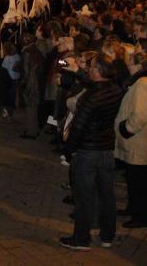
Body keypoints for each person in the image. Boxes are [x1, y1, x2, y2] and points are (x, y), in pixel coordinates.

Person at [60, 54, 123, 251]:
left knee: (84, 197)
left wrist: (69, 150)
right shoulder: (114, 90)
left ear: (98, 71)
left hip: (87, 151)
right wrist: (77, 71)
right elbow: (94, 83)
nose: (89, 70)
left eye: (92, 68)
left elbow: (79, 126)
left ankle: (81, 239)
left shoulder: (91, 98)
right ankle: (107, 235)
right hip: (106, 150)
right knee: (107, 195)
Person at [115, 52, 147, 229]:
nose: (128, 66)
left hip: (137, 141)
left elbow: (140, 115)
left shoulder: (143, 84)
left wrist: (125, 128)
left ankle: (141, 216)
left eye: (130, 63)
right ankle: (133, 209)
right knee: (134, 180)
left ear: (137, 66)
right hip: (139, 141)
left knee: (138, 182)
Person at [19, 32, 44, 139]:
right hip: (38, 81)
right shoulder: (37, 50)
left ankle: (31, 131)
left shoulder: (26, 52)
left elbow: (25, 71)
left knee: (30, 108)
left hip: (30, 82)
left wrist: (21, 84)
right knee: (34, 107)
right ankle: (34, 129)